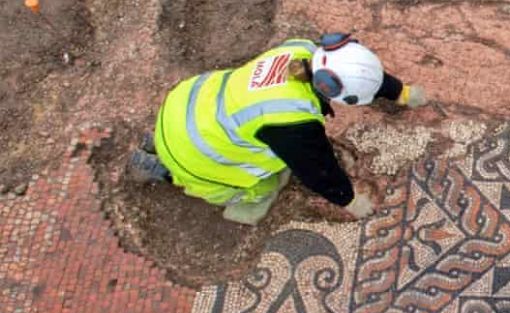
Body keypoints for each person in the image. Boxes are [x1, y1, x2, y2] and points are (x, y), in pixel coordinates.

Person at [128, 33, 427, 225]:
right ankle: (161, 170)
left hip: (186, 104)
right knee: (266, 186)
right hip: (194, 152)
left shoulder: (302, 49)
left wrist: (401, 93)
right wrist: (348, 200)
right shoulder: (292, 122)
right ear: (333, 92)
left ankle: (157, 140)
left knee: (223, 130)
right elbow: (317, 171)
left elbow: (359, 74)